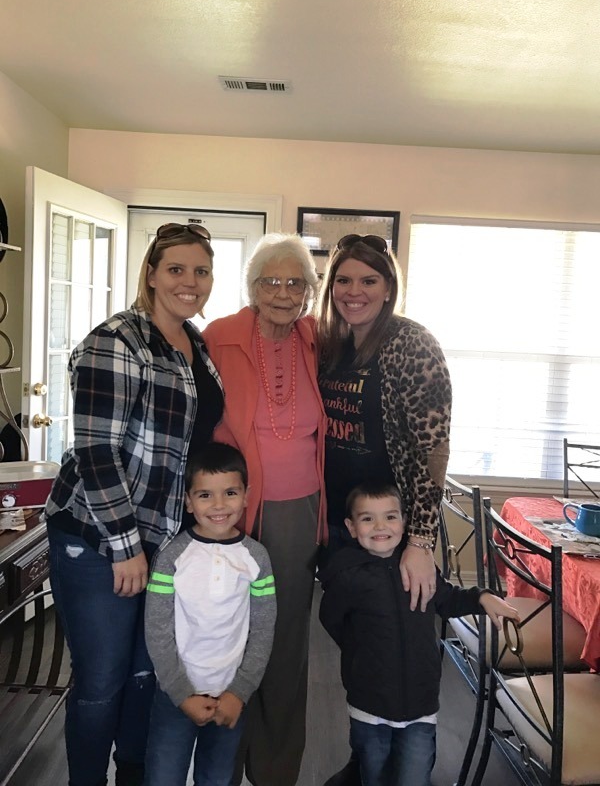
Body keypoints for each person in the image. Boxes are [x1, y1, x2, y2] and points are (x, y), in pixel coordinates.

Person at [44, 222, 224, 786]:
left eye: (201, 271)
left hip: (161, 541)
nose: (189, 281)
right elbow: (96, 453)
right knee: (102, 680)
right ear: (150, 274)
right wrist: (125, 548)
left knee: (147, 675)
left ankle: (134, 776)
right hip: (99, 539)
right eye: (176, 269)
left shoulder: (195, 343)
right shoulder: (117, 341)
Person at [316, 233, 452, 785]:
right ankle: (365, 759)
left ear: (389, 287)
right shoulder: (333, 344)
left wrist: (419, 540)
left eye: (369, 280)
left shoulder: (412, 344)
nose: (355, 291)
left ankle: (405, 768)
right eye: (344, 280)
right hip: (342, 527)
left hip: (393, 530)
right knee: (360, 645)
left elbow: (432, 450)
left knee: (399, 642)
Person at [202, 232, 327, 786]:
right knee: (228, 633)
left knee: (285, 639)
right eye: (270, 281)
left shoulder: (319, 340)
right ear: (252, 287)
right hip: (232, 510)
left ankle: (275, 769)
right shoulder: (219, 337)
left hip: (299, 509)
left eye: (295, 283)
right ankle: (221, 766)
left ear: (308, 291)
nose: (282, 292)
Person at [319, 482, 519, 786]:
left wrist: (481, 597)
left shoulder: (419, 567)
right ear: (351, 527)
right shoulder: (348, 575)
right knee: (373, 774)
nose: (380, 526)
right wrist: (359, 650)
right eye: (368, 518)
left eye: (390, 517)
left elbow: (447, 599)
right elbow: (331, 618)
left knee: (414, 775)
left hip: (420, 703)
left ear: (405, 522)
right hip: (369, 703)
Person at [143, 442, 276, 786]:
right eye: (205, 495)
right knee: (163, 777)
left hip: (230, 697)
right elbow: (157, 630)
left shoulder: (256, 558)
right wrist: (181, 693)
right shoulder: (171, 557)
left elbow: (263, 631)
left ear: (246, 496)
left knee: (216, 777)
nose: (219, 505)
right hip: (175, 696)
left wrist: (239, 692)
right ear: (188, 501)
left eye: (230, 493)